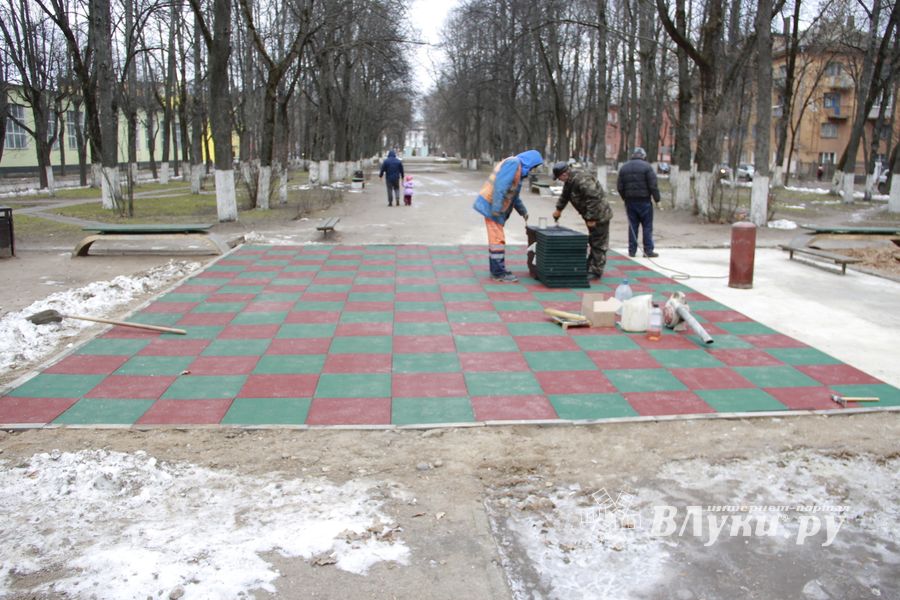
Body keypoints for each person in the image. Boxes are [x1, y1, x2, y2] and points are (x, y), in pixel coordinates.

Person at [472, 150, 543, 282]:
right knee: (497, 240)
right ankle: (498, 273)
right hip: (492, 206)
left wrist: (523, 211)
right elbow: (500, 187)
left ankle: (498, 270)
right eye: (534, 167)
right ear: (530, 162)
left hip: (494, 207)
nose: (533, 170)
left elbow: (513, 196)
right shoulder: (513, 164)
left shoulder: (519, 170)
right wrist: (497, 209)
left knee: (497, 239)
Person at [551, 162, 613, 279]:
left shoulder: (583, 180)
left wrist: (591, 218)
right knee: (593, 240)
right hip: (590, 215)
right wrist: (558, 209)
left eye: (559, 177)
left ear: (564, 174)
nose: (559, 180)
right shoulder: (570, 181)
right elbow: (565, 195)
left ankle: (596, 270)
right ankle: (590, 265)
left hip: (600, 215)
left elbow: (594, 199)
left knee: (599, 243)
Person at [616, 147, 661, 258]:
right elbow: (653, 185)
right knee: (647, 227)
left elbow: (620, 187)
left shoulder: (624, 168)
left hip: (630, 202)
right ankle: (648, 251)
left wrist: (624, 198)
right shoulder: (647, 167)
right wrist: (657, 200)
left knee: (632, 226)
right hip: (644, 201)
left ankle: (632, 251)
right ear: (643, 156)